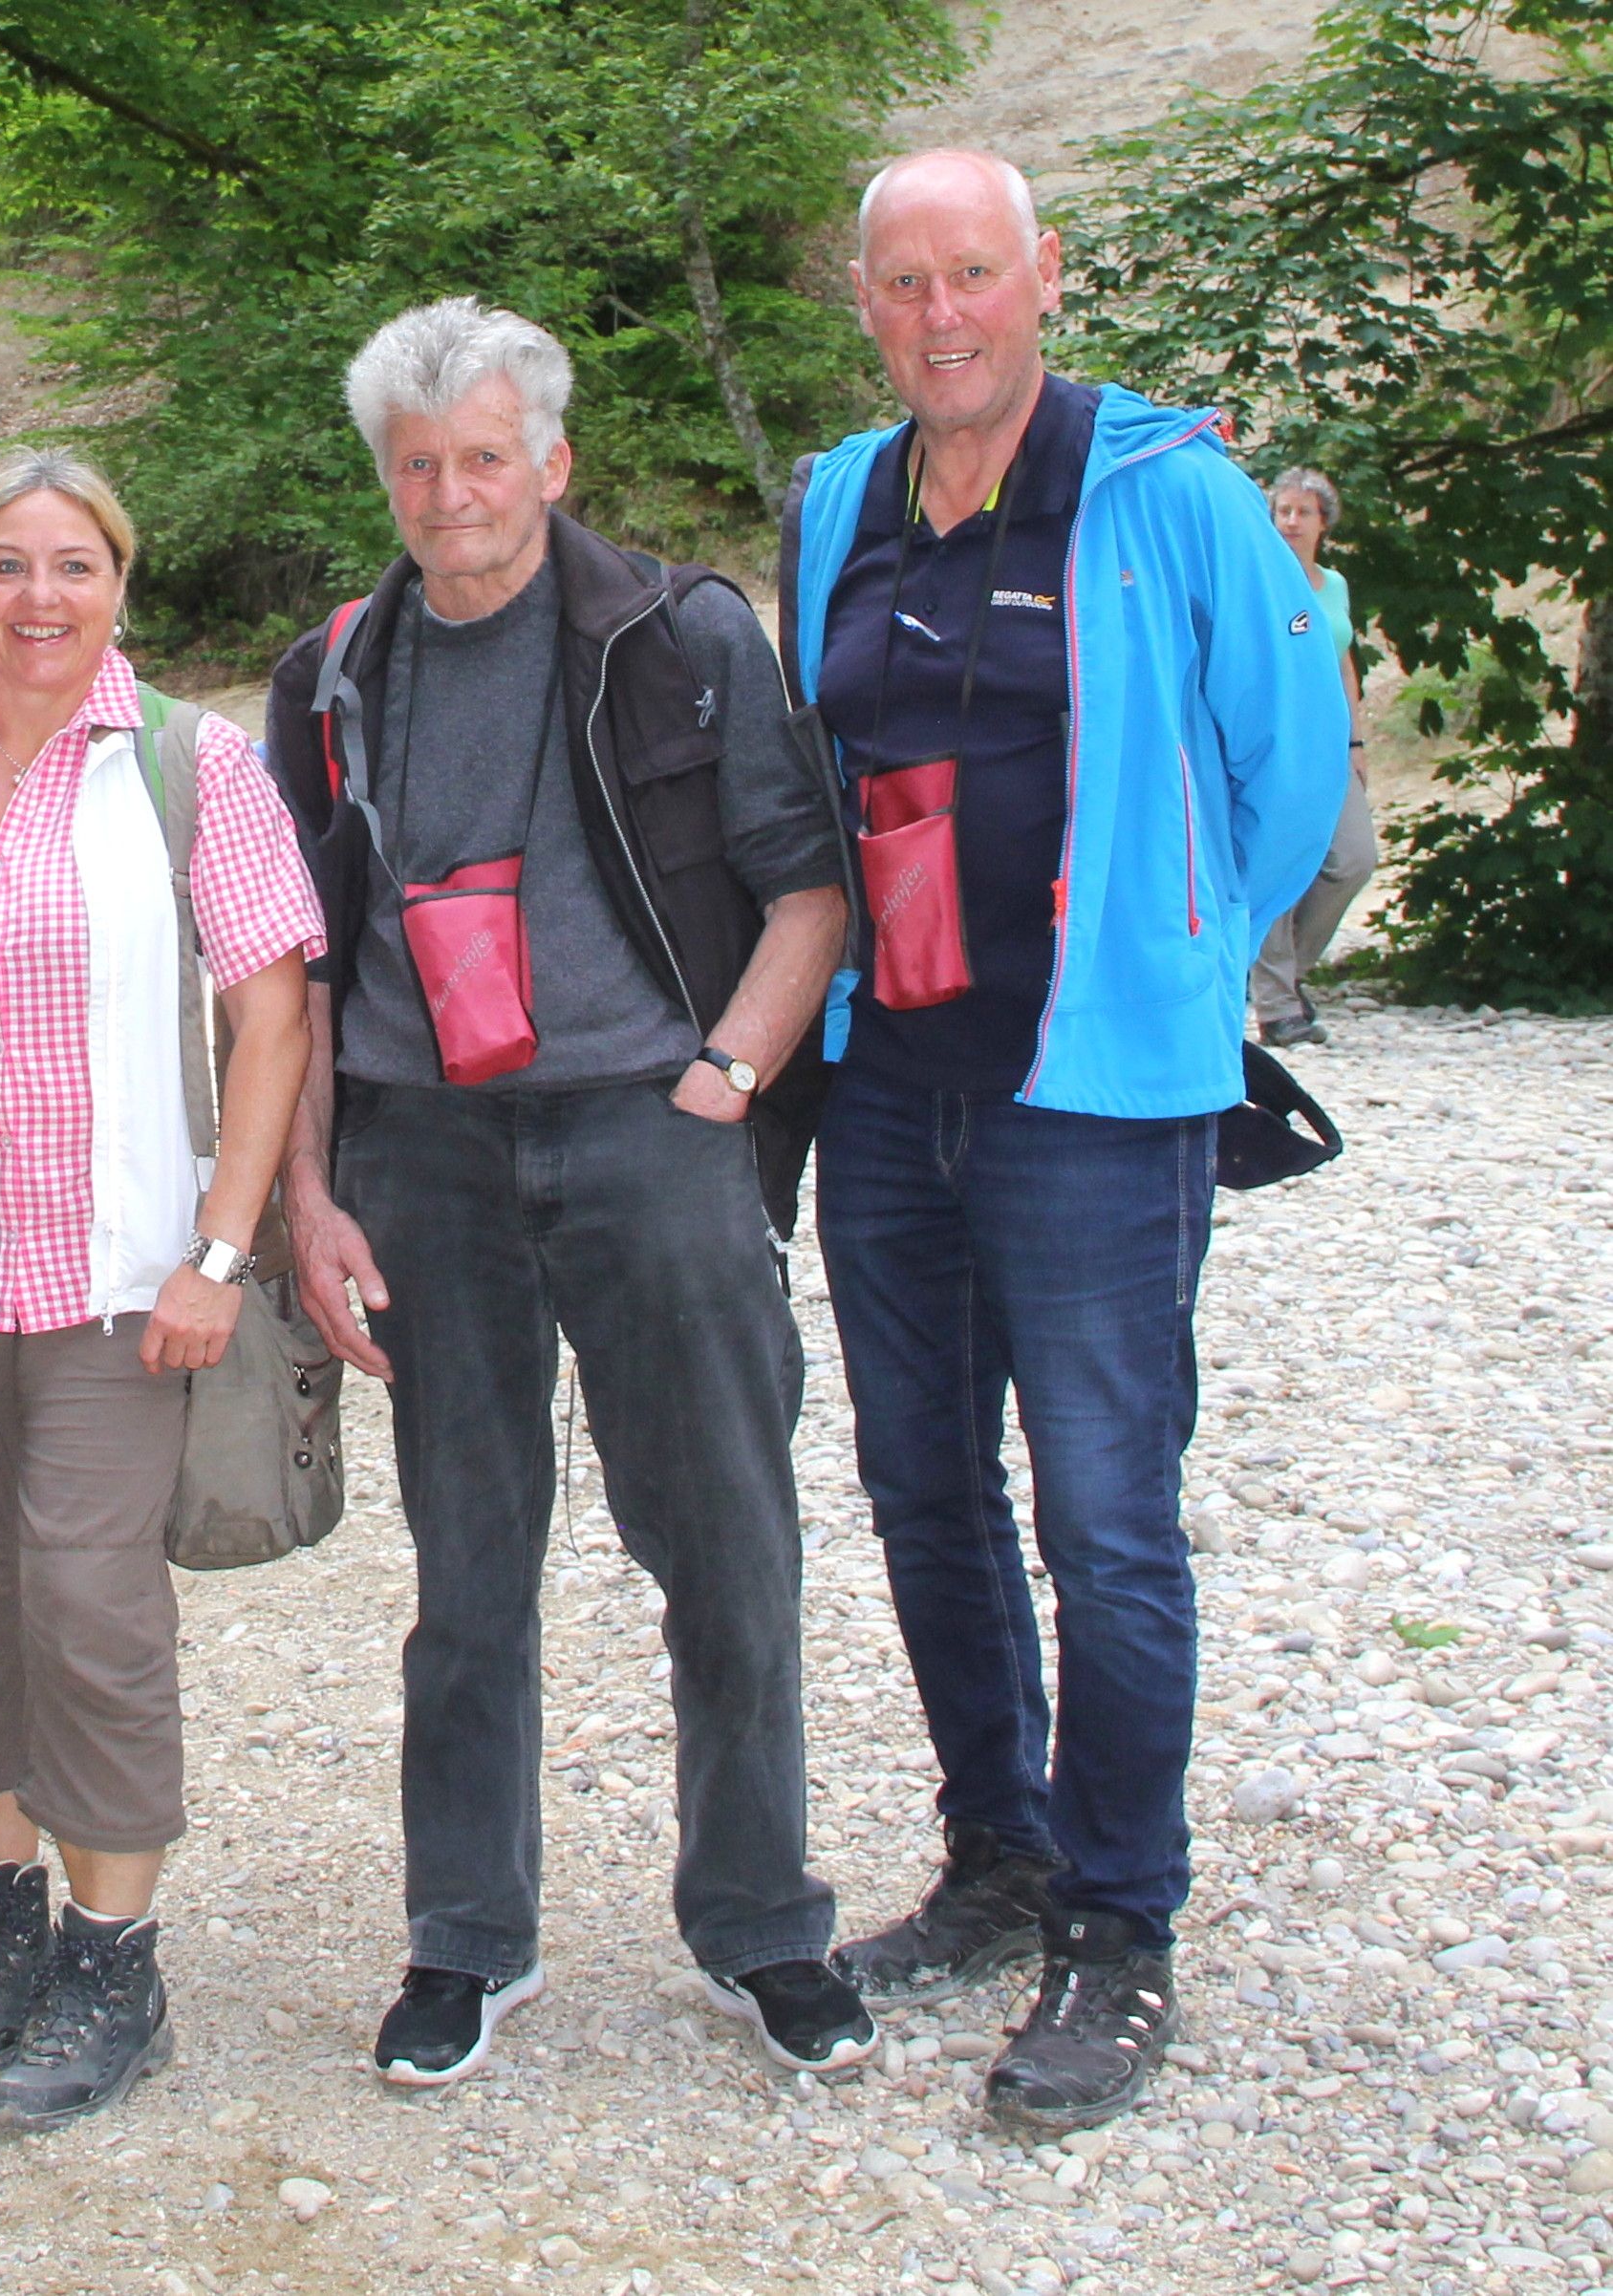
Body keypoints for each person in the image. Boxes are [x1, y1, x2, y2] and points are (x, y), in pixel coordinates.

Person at [790, 151, 1347, 2131]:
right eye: (903, 282)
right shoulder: (840, 497)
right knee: (924, 1491)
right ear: (865, 300)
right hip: (890, 1083)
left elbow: (1292, 766)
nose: (940, 314)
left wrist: (1173, 959)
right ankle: (1001, 1851)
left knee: (1105, 1516)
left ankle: (1119, 1922)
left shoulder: (1169, 488)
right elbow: (817, 758)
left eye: (972, 274)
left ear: (1041, 277)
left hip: (1096, 1099)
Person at [258, 298, 871, 2091]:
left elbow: (809, 888)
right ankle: (466, 1935)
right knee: (466, 1566)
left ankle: (762, 1920)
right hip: (425, 1155)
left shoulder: (679, 637)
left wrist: (724, 1082)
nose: (452, 494)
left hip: (647, 1131)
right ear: (386, 477)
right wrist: (308, 1191)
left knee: (727, 1545)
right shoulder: (332, 674)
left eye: (483, 456)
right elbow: (294, 965)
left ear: (553, 460)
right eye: (418, 463)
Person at [0, 451, 320, 2133]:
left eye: (73, 566)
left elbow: (271, 1017)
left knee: (91, 1610)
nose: (40, 598)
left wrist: (221, 1249)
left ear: (119, 582)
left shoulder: (189, 764)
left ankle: (114, 1955)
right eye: (6, 566)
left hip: (119, 1284)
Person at [1250, 467, 1377, 1045]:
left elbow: (1345, 664)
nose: (1291, 522)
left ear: (1325, 522)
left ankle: (1285, 975)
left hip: (1330, 744)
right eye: (1284, 511)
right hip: (1275, 743)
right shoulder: (1258, 580)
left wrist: (1356, 741)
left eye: (1304, 512)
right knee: (1279, 861)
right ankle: (1278, 1007)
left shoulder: (1336, 586)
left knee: (1354, 858)